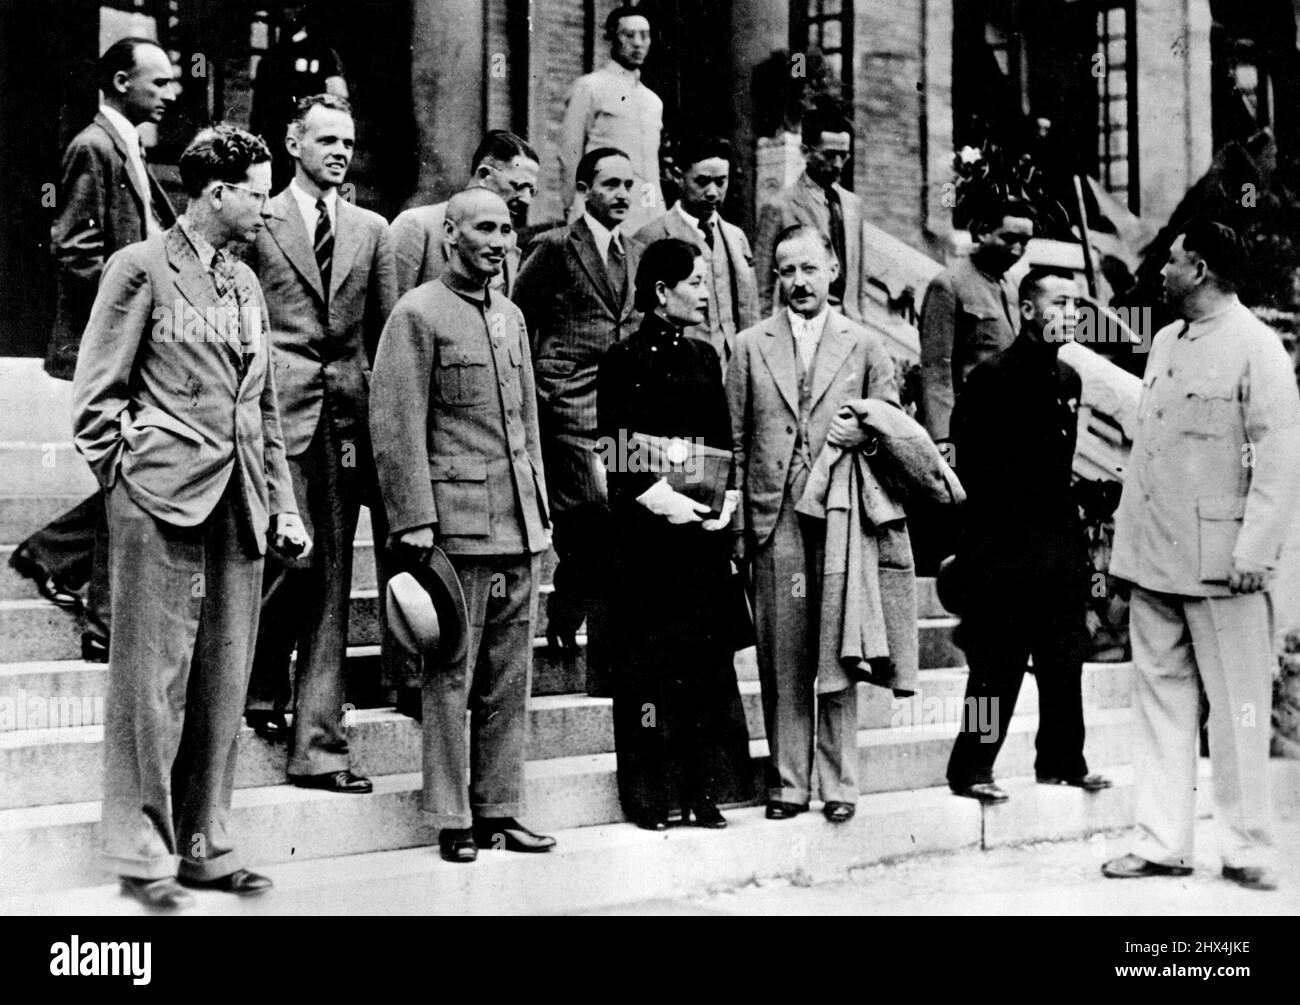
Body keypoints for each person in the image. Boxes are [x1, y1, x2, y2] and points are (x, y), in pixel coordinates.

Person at [70, 125, 310, 910]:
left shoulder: (244, 284)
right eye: (257, 192)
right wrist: (126, 479)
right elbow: (96, 398)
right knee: (151, 681)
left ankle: (206, 843)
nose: (268, 207)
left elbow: (263, 407)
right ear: (216, 193)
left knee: (220, 684)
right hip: (161, 503)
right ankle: (142, 852)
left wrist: (282, 500)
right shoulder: (139, 268)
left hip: (237, 506)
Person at [1103, 222, 1300, 892]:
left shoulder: (1257, 349)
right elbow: (1151, 446)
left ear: (1203, 269)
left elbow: (1277, 461)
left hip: (1225, 567)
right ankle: (1162, 842)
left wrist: (1256, 551)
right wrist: (1125, 554)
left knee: (1240, 708)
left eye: (1172, 260)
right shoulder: (1163, 342)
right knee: (1159, 702)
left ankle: (1246, 845)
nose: (1160, 269)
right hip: (1156, 557)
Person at [370, 189, 555, 864]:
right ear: (450, 234)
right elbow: (396, 426)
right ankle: (452, 815)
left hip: (516, 527)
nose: (500, 239)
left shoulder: (510, 316)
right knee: (451, 673)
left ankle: (500, 807)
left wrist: (540, 516)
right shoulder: (417, 313)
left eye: (507, 228)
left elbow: (527, 426)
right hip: (454, 530)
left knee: (511, 678)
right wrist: (415, 519)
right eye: (485, 227)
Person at [241, 94, 397, 790]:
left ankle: (321, 747)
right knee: (284, 565)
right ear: (292, 142)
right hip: (273, 417)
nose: (340, 151)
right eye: (326, 139)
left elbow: (384, 333)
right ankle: (256, 683)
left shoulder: (371, 228)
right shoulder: (259, 218)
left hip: (344, 424)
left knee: (332, 584)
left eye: (349, 141)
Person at [727, 224, 900, 823]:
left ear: (833, 270)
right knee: (783, 652)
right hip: (776, 517)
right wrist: (740, 530)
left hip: (842, 516)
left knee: (838, 644)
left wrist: (865, 438)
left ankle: (839, 783)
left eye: (809, 268)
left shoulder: (868, 345)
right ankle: (787, 783)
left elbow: (898, 439)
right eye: (786, 270)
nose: (798, 281)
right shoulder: (749, 346)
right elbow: (737, 441)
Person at [12, 38, 178, 662]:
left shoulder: (124, 144)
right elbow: (75, 250)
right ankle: (102, 620)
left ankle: (55, 554)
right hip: (109, 344)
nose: (170, 92)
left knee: (132, 470)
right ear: (119, 81)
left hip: (128, 341)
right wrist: (145, 296)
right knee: (130, 474)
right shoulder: (94, 145)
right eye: (157, 82)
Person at [597, 237, 752, 830]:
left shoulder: (705, 357)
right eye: (695, 282)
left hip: (699, 543)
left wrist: (721, 504)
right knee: (647, 669)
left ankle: (701, 790)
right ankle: (650, 797)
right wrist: (664, 503)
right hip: (647, 544)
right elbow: (616, 449)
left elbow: (720, 441)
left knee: (703, 667)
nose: (705, 292)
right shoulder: (622, 361)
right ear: (662, 292)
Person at [943, 268, 1112, 803]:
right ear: (1029, 310)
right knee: (997, 666)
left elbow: (1058, 469)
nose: (1070, 312)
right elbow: (972, 472)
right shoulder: (991, 377)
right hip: (1004, 547)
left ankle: (1063, 760)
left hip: (1058, 545)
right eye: (1059, 303)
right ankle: (971, 768)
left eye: (1076, 304)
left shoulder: (1068, 380)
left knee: (1065, 658)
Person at [513, 148, 640, 691]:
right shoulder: (556, 247)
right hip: (565, 400)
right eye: (610, 184)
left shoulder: (634, 252)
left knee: (611, 520)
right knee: (590, 509)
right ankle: (568, 604)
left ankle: (571, 610)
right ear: (584, 189)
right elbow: (518, 317)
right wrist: (541, 386)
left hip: (618, 407)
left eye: (629, 185)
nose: (622, 195)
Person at [629, 135, 758, 374]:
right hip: (678, 367)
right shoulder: (651, 236)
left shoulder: (736, 237)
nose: (712, 192)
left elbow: (751, 309)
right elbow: (636, 315)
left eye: (721, 182)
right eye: (702, 181)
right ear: (679, 176)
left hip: (734, 367)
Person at [917, 197, 1035, 454]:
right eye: (1009, 238)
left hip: (1010, 426)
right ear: (982, 232)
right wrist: (942, 441)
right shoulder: (949, 285)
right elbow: (936, 372)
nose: (1017, 249)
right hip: (969, 428)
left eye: (1024, 242)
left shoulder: (1013, 286)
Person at [389, 129, 540, 299]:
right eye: (519, 186)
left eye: (532, 191)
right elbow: (391, 315)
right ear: (484, 175)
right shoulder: (418, 226)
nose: (526, 200)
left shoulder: (509, 242)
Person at [753, 105, 866, 325]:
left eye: (844, 156)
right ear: (805, 151)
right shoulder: (779, 206)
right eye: (829, 155)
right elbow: (761, 289)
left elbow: (858, 284)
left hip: (848, 329)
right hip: (803, 327)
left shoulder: (853, 206)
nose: (838, 165)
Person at [560, 4, 663, 233]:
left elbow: (649, 168)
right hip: (602, 210)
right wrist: (574, 208)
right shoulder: (590, 87)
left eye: (644, 36)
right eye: (629, 35)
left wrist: (655, 213)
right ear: (612, 39)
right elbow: (570, 153)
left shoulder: (653, 101)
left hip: (646, 215)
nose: (638, 43)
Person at [250, 1, 348, 191]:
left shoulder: (324, 55)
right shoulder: (270, 59)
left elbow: (339, 100)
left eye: (295, 7)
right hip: (276, 144)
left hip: (311, 139)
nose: (289, 13)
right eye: (286, 8)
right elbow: (258, 112)